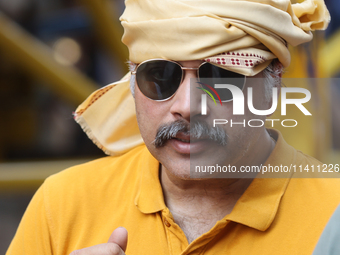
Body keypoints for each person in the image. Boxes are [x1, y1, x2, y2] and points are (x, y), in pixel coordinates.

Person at [6, 0, 340, 254]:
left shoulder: (333, 215)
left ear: (274, 85)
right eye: (161, 76)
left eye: (221, 78)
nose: (187, 107)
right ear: (133, 84)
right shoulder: (64, 204)